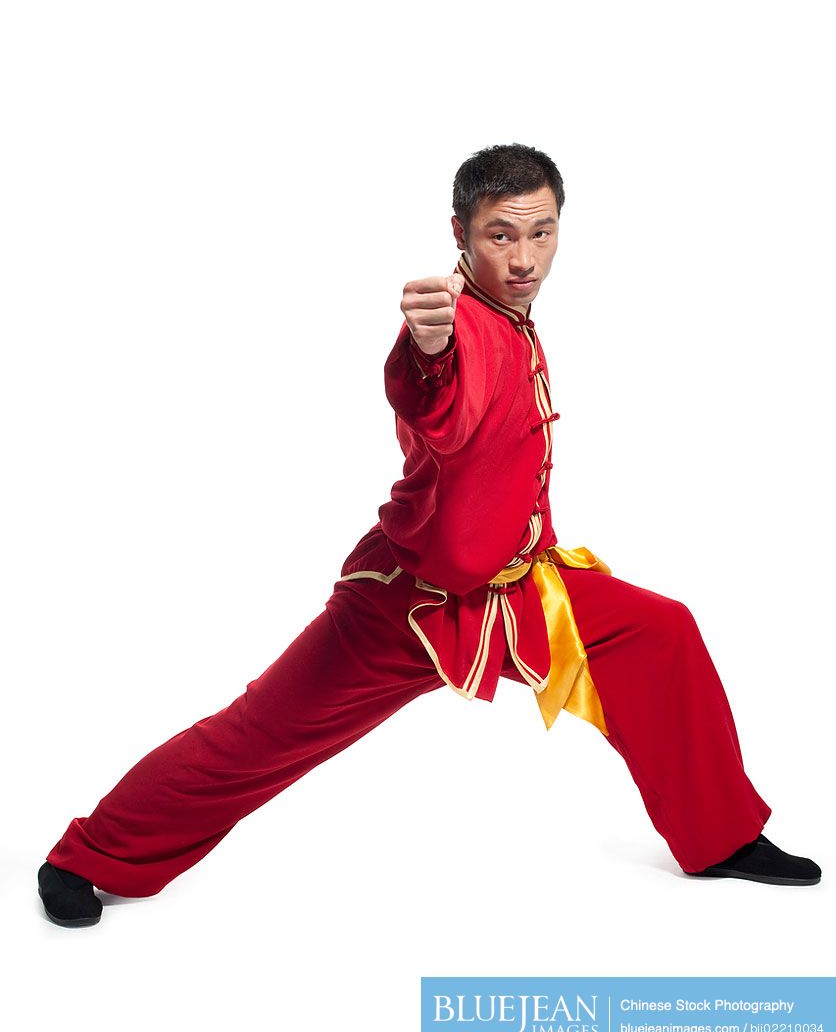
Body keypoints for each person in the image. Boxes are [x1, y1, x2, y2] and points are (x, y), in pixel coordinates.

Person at [38, 143, 821, 928]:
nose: (524, 258)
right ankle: (84, 855)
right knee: (257, 735)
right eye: (500, 236)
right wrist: (430, 349)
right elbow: (438, 398)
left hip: (514, 593)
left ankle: (718, 837)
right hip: (407, 607)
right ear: (460, 231)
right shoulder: (465, 326)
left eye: (542, 233)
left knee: (661, 631)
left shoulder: (515, 316)